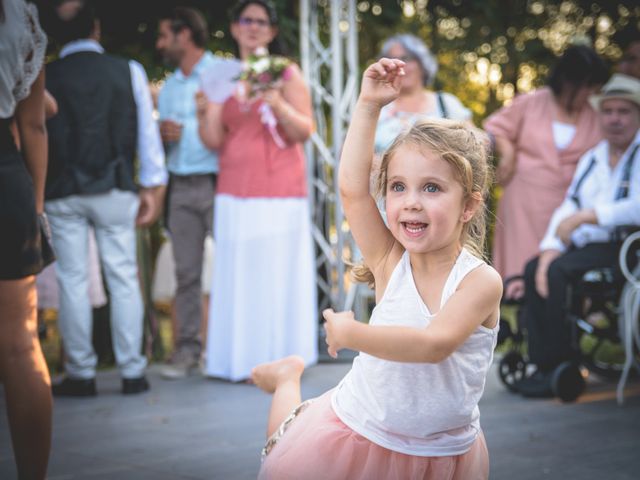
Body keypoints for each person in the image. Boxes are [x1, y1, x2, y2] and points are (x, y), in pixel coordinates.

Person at [251, 58, 502, 480]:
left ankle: (287, 378)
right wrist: (369, 105)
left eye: (432, 188)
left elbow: (432, 345)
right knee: (285, 446)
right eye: (398, 186)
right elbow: (352, 191)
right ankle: (285, 378)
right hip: (361, 427)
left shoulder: (479, 282)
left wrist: (353, 335)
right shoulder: (390, 262)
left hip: (442, 451)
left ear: (470, 205)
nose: (412, 201)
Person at [44, 0, 167, 396]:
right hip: (115, 186)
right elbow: (147, 136)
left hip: (62, 191)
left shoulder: (45, 75)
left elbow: (35, 131)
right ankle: (133, 372)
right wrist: (152, 185)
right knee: (123, 276)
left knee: (73, 280)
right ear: (95, 29)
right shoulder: (127, 70)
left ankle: (81, 373)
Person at [196, 0, 317, 381]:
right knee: (239, 274)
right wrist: (207, 109)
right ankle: (238, 360)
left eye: (261, 22)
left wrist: (277, 103)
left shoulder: (286, 73)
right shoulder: (222, 76)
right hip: (234, 187)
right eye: (246, 20)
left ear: (272, 31)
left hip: (280, 186)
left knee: (275, 271)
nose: (253, 27)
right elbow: (213, 139)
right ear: (233, 28)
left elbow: (305, 130)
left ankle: (281, 360)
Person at [517, 73, 640, 398]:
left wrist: (591, 216)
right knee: (534, 268)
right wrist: (549, 250)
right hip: (592, 245)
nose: (614, 119)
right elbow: (568, 206)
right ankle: (543, 364)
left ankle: (560, 364)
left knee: (560, 272)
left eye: (623, 112)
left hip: (628, 248)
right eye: (608, 111)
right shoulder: (594, 157)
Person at [483, 45, 609, 295]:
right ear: (569, 82)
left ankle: (567, 298)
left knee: (560, 253)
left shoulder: (594, 115)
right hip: (525, 199)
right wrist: (507, 153)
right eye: (587, 86)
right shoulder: (532, 102)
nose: (591, 93)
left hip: (570, 200)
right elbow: (496, 128)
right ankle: (515, 295)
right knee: (522, 253)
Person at [0, 0, 52, 477]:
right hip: (7, 176)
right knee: (20, 343)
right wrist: (34, 211)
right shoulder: (21, 14)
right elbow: (33, 124)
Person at [155, 6, 221, 379]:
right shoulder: (168, 88)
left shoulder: (219, 75)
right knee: (185, 273)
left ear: (184, 35)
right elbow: (158, 145)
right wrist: (163, 138)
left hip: (219, 181)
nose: (160, 43)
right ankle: (187, 351)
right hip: (180, 184)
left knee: (228, 269)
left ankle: (228, 346)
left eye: (165, 34)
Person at [374, 33, 472, 155]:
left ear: (422, 63)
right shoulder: (376, 107)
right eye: (391, 60)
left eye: (406, 58)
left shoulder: (445, 103)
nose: (398, 66)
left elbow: (474, 143)